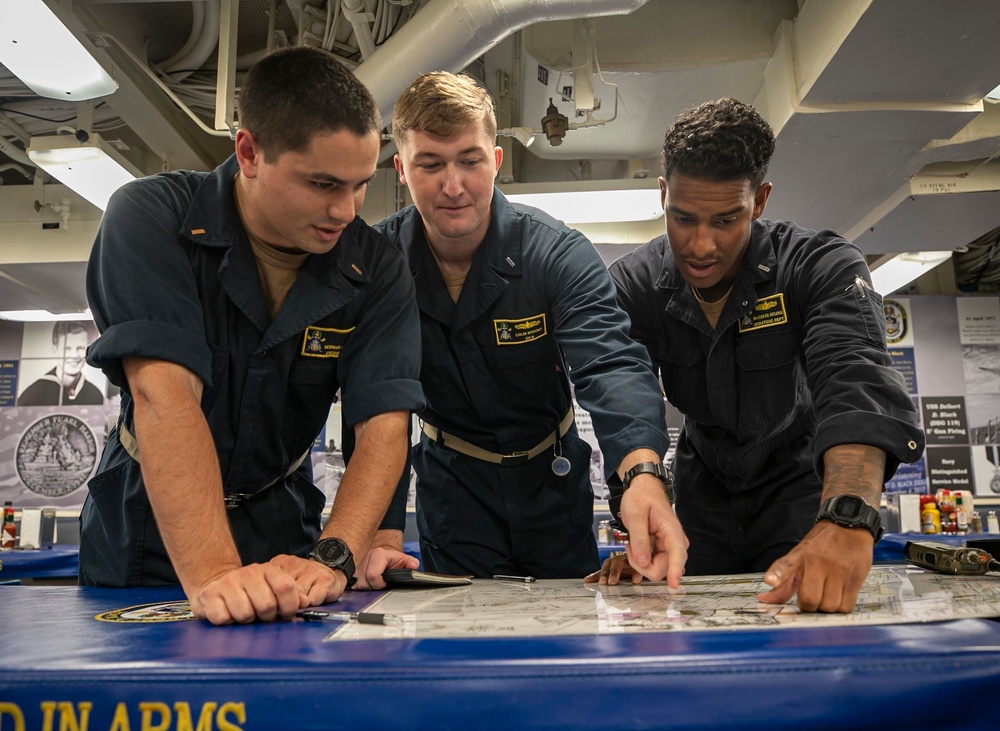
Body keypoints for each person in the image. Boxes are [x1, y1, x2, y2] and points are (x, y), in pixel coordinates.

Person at [79, 46, 424, 625]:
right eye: (322, 184)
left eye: (361, 184)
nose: (345, 210)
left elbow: (385, 425)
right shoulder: (150, 217)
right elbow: (164, 393)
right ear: (249, 153)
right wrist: (215, 573)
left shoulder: (377, 266)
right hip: (149, 525)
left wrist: (335, 553)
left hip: (283, 527)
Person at [351, 71, 687, 588]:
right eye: (430, 164)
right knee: (457, 637)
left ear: (497, 160)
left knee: (564, 636)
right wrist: (382, 530)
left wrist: (643, 471)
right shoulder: (376, 263)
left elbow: (610, 363)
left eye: (470, 160)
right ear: (400, 169)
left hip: (550, 484)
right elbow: (378, 403)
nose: (453, 185)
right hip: (453, 486)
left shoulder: (555, 253)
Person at [601, 97, 925, 612]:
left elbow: (853, 376)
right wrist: (642, 492)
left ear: (760, 200)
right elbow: (622, 390)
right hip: (698, 491)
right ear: (662, 194)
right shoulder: (633, 286)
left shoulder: (818, 265)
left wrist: (846, 515)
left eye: (725, 220)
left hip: (797, 488)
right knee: (680, 617)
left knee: (807, 619)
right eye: (682, 218)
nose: (701, 246)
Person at [17, 321, 103, 406]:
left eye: (80, 348)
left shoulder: (96, 395)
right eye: (67, 349)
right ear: (55, 350)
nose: (74, 355)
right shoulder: (31, 395)